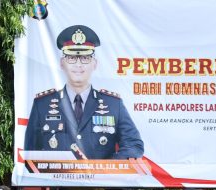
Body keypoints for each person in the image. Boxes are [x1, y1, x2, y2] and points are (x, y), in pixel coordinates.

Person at [23, 24, 143, 160]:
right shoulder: (42, 104)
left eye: (85, 58)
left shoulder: (114, 105)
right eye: (71, 58)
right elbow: (30, 154)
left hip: (101, 181)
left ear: (95, 64)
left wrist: (107, 168)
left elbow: (134, 145)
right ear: (62, 63)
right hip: (57, 181)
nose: (78, 64)